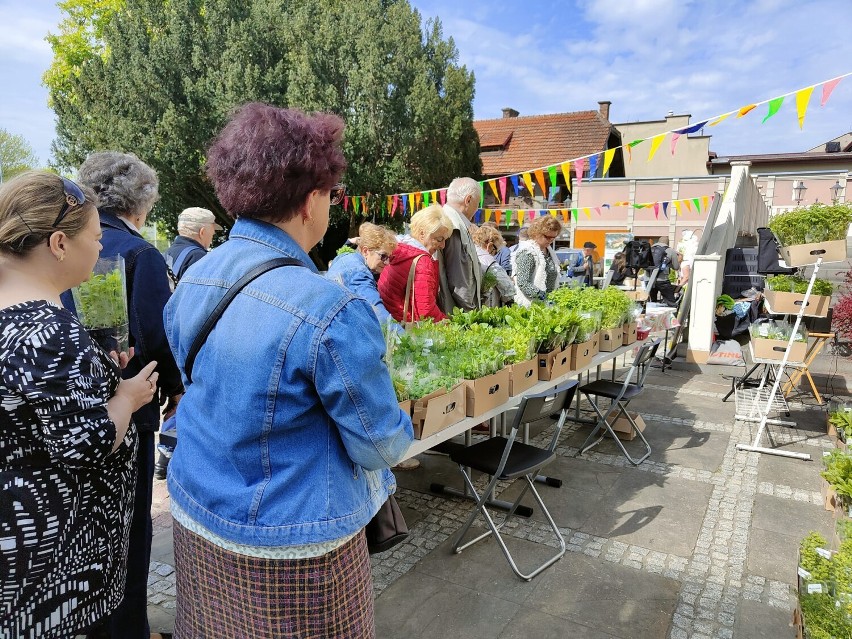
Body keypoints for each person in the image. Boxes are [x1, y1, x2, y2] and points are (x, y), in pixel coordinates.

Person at [164, 103, 414, 638]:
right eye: (331, 193)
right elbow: (380, 445)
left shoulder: (194, 277)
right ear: (310, 201)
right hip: (292, 544)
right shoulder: (330, 308)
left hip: (196, 509)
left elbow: (203, 386)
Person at [0, 171, 159, 638]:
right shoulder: (49, 329)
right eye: (94, 237)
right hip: (55, 562)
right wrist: (127, 396)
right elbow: (85, 443)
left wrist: (100, 371)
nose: (100, 248)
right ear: (58, 244)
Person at [69, 151, 184, 639]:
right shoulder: (140, 253)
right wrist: (175, 391)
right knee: (130, 526)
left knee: (89, 527)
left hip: (79, 409)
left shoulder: (70, 247)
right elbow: (159, 339)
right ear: (141, 203)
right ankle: (131, 628)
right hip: (130, 401)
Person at [379, 204, 452, 323]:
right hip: (405, 329)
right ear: (423, 234)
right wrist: (450, 326)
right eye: (439, 239)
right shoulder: (422, 262)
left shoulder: (401, 249)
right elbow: (426, 312)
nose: (443, 245)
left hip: (389, 322)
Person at [327, 222, 398, 330]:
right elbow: (377, 313)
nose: (387, 262)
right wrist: (405, 340)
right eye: (383, 256)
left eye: (389, 257)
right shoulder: (358, 273)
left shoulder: (345, 257)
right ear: (365, 251)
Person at [437, 177, 482, 313]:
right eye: (477, 203)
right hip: (456, 314)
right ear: (468, 200)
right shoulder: (454, 225)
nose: (477, 208)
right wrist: (472, 314)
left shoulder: (447, 218)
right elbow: (460, 282)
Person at [510, 216, 562, 306]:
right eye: (547, 237)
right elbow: (523, 283)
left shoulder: (550, 252)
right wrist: (544, 297)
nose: (550, 240)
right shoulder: (527, 252)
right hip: (530, 305)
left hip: (547, 304)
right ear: (536, 233)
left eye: (553, 237)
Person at [165, 207, 222, 282]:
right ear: (202, 232)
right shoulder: (198, 257)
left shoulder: (168, 253)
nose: (211, 239)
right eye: (212, 234)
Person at [472, 225, 514, 307]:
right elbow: (509, 291)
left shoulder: (470, 254)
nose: (494, 254)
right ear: (490, 246)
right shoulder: (490, 263)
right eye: (495, 251)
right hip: (488, 307)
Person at [650, 235, 680, 307]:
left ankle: (652, 317)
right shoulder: (670, 250)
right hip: (662, 280)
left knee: (652, 302)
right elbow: (676, 267)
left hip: (649, 279)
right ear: (668, 243)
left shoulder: (650, 249)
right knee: (671, 303)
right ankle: (672, 317)